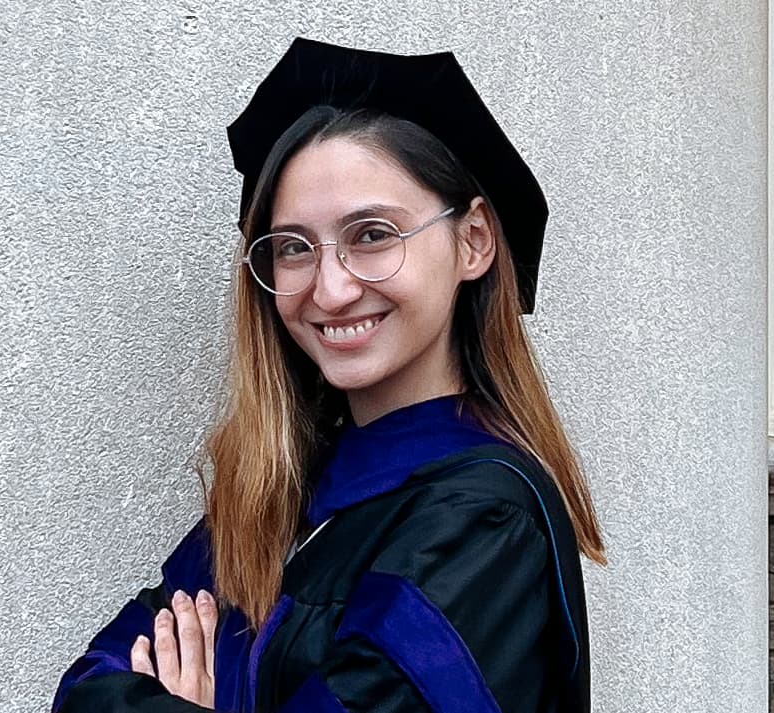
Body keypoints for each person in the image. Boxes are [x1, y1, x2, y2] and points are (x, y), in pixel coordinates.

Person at [51, 37, 606, 713]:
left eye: (372, 234)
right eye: (293, 247)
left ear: (473, 241)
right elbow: (87, 686)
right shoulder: (284, 491)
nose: (330, 289)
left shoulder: (486, 521)